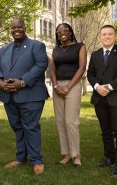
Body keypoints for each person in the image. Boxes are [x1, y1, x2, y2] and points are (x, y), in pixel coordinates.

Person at [0, 18, 49, 174]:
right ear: (10, 29)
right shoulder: (4, 49)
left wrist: (23, 82)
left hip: (30, 95)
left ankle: (37, 160)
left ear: (25, 28)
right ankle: (21, 157)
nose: (16, 29)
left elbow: (41, 65)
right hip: (9, 96)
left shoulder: (36, 46)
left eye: (19, 27)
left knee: (30, 127)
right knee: (17, 127)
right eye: (13, 27)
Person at [87, 25, 117, 177]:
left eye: (110, 34)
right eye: (104, 34)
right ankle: (109, 158)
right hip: (99, 98)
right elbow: (90, 74)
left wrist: (110, 87)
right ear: (100, 36)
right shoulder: (95, 54)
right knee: (105, 131)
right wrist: (97, 86)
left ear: (115, 36)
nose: (107, 36)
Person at [50, 23, 87, 167]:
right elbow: (52, 70)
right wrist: (55, 86)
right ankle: (66, 154)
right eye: (59, 32)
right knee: (60, 121)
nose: (62, 33)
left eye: (65, 30)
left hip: (73, 85)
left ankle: (76, 155)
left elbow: (82, 67)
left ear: (71, 32)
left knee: (71, 121)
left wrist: (69, 86)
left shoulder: (80, 46)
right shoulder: (55, 50)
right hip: (57, 86)